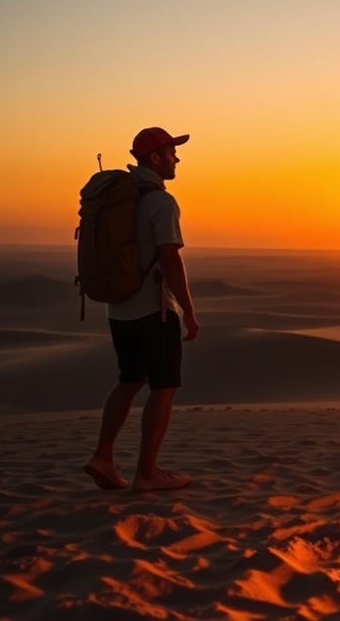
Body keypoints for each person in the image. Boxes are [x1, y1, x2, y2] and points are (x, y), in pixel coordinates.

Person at [84, 127, 200, 492]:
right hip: (155, 312)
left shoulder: (121, 199)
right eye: (170, 152)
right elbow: (169, 258)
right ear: (154, 157)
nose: (176, 158)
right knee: (164, 386)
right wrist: (189, 310)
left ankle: (102, 455)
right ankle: (147, 473)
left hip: (119, 309)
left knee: (129, 380)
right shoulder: (161, 203)